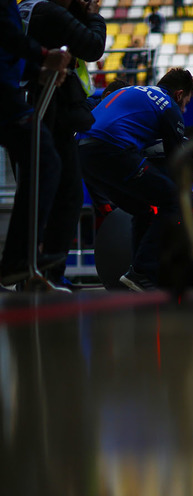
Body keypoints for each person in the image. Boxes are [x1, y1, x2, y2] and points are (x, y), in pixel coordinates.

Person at [77, 68, 193, 291]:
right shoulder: (168, 105)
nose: (184, 109)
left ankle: (136, 276)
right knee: (174, 201)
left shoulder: (136, 92)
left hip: (84, 153)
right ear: (179, 94)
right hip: (111, 149)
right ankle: (142, 271)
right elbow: (175, 162)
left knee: (143, 209)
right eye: (186, 102)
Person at [20, 0, 106, 290]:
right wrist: (94, 17)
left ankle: (37, 273)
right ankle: (42, 273)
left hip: (36, 109)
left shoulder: (30, 8)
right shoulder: (50, 12)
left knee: (42, 193)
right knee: (62, 193)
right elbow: (93, 47)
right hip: (48, 112)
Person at [0, 0, 72, 287]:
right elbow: (5, 34)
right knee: (44, 158)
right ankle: (19, 256)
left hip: (7, 93)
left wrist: (36, 70)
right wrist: (44, 55)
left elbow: (7, 50)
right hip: (4, 97)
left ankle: (21, 257)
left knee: (39, 158)